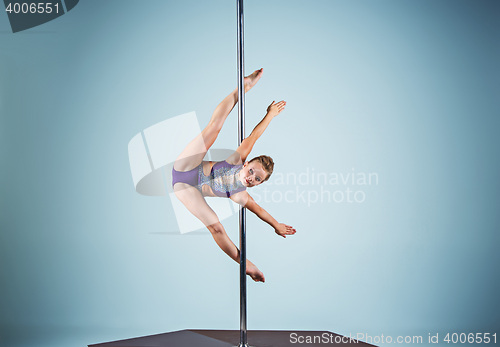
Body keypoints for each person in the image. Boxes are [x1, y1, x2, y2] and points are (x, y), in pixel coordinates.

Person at [172, 68, 296, 282]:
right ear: (247, 163)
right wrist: (270, 114)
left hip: (185, 189)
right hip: (185, 167)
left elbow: (260, 211)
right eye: (251, 171)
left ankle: (246, 264)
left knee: (217, 228)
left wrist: (276, 225)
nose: (251, 178)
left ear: (258, 184)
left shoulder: (241, 195)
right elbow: (255, 135)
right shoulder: (237, 160)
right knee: (214, 129)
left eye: (257, 179)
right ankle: (243, 88)